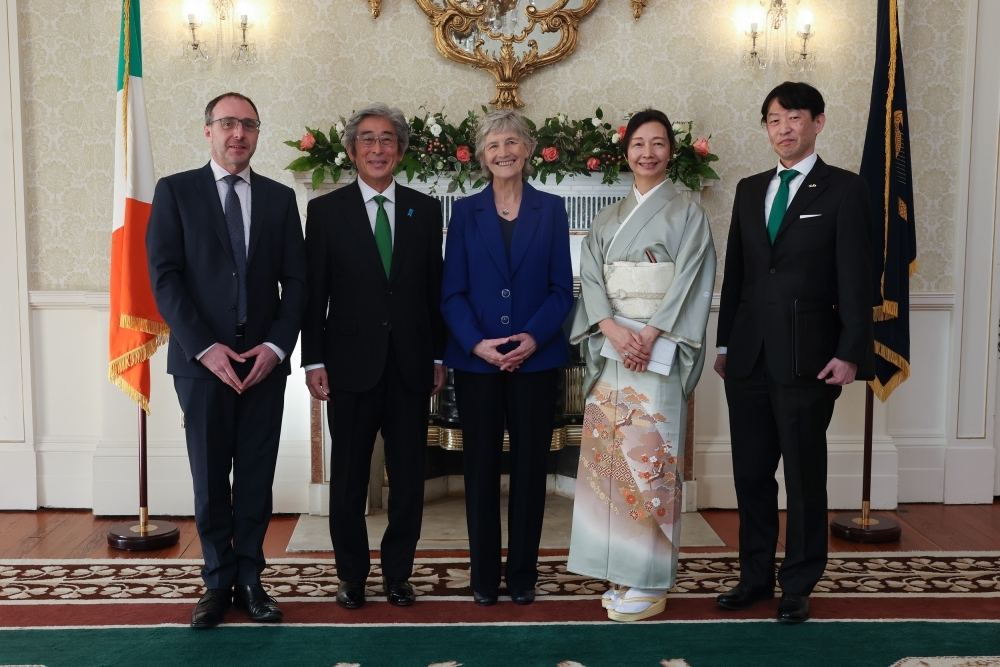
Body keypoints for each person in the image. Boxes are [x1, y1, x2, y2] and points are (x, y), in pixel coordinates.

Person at [714, 81, 873, 624]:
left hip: (811, 357)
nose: (783, 129)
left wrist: (852, 351)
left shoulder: (845, 191)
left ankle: (799, 582)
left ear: (818, 123)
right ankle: (754, 576)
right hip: (750, 358)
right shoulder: (748, 188)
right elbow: (738, 273)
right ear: (766, 128)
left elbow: (857, 278)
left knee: (804, 475)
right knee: (751, 474)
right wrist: (726, 344)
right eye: (774, 120)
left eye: (794, 118)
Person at [146, 92, 307, 629]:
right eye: (228, 124)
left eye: (249, 125)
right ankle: (217, 583)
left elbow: (299, 284)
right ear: (208, 131)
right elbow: (164, 279)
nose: (238, 134)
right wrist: (204, 346)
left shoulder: (281, 199)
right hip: (202, 363)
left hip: (263, 361)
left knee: (257, 475)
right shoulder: (174, 192)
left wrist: (277, 346)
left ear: (258, 135)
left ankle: (251, 578)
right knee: (211, 477)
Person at [566, 108, 716, 622]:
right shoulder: (607, 218)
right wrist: (611, 329)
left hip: (658, 351)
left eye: (657, 143)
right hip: (615, 352)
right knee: (610, 465)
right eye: (638, 144)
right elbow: (590, 280)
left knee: (651, 462)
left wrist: (649, 334)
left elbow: (691, 283)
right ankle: (618, 570)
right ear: (624, 152)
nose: (647, 152)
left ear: (671, 151)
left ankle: (650, 582)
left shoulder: (689, 215)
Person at [301, 103, 447, 610]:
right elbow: (311, 293)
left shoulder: (425, 211)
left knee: (409, 477)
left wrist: (439, 356)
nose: (378, 148)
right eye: (368, 139)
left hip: (411, 365)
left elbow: (435, 291)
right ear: (351, 150)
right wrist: (313, 360)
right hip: (347, 367)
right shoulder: (324, 212)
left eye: (388, 140)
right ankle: (352, 576)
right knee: (348, 480)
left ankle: (398, 575)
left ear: (401, 150)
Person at [440, 109, 574, 606]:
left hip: (535, 361)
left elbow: (563, 290)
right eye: (494, 145)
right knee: (478, 472)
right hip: (477, 363)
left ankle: (522, 575)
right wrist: (478, 343)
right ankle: (482, 577)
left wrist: (531, 339)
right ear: (482, 155)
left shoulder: (553, 210)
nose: (504, 152)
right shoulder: (464, 211)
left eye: (512, 142)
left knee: (529, 469)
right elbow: (451, 292)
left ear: (528, 149)